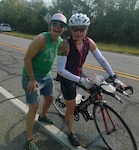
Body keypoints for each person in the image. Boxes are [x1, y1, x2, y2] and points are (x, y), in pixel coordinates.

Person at [57, 13, 126, 147]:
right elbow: (60, 70)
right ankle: (70, 133)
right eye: (75, 29)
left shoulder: (89, 42)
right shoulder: (64, 45)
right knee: (71, 109)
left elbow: (102, 60)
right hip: (66, 76)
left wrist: (114, 77)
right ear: (71, 29)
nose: (78, 32)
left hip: (78, 73)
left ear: (87, 29)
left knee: (97, 91)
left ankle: (83, 106)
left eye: (82, 29)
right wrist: (80, 81)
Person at [22, 13, 67, 150]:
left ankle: (42, 116)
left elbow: (62, 61)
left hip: (46, 76)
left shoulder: (60, 42)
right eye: (55, 24)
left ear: (64, 28)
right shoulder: (41, 39)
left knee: (49, 98)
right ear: (50, 25)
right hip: (31, 77)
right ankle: (28, 140)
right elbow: (27, 59)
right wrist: (32, 79)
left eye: (61, 26)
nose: (57, 28)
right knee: (33, 107)